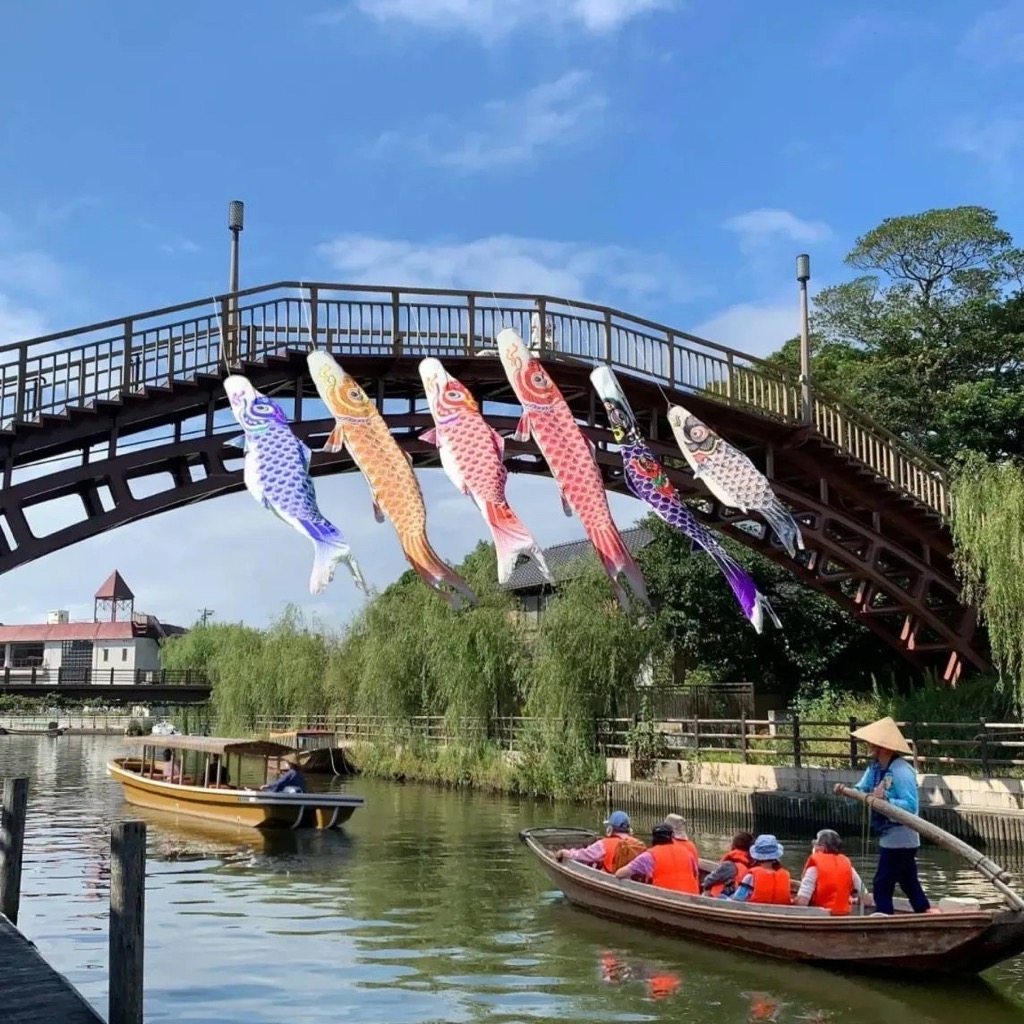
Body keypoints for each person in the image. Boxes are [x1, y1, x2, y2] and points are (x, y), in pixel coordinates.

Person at [834, 716, 932, 916]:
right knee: (908, 882)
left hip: (902, 836)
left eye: (873, 744)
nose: (870, 747)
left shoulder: (901, 771)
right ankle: (924, 912)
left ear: (884, 747)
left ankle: (884, 918)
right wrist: (849, 793)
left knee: (882, 883)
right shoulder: (875, 768)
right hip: (888, 836)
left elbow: (911, 806)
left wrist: (885, 800)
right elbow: (862, 788)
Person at [614, 823, 699, 894]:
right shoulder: (687, 853)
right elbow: (695, 874)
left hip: (665, 896)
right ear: (672, 837)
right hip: (692, 895)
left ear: (654, 838)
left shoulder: (648, 856)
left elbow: (619, 874)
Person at [795, 829, 862, 915]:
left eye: (815, 843)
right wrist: (854, 900)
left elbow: (802, 902)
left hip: (821, 916)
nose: (813, 846)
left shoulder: (813, 870)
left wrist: (793, 902)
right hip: (844, 914)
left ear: (821, 848)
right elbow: (866, 897)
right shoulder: (849, 868)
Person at [555, 811, 644, 872]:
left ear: (610, 829)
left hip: (612, 880)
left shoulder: (604, 844)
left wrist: (565, 852)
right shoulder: (638, 844)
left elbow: (583, 855)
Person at [728, 834, 791, 905]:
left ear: (756, 856)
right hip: (780, 910)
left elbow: (738, 898)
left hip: (752, 909)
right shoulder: (786, 874)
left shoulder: (750, 876)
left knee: (724, 896)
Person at [700, 831, 754, 898]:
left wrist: (703, 886)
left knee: (706, 891)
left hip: (722, 898)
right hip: (738, 897)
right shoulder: (750, 864)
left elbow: (708, 881)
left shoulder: (728, 865)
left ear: (733, 845)